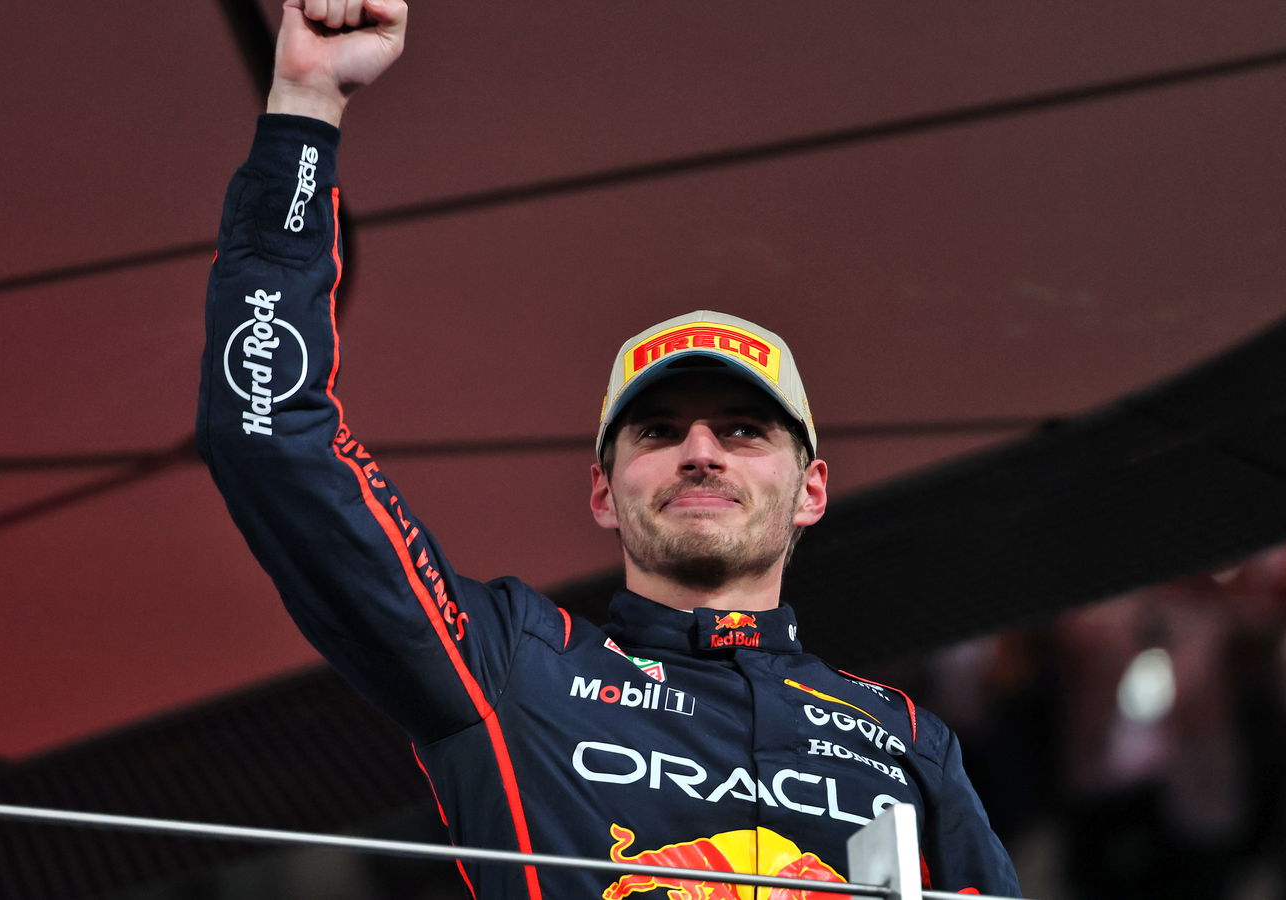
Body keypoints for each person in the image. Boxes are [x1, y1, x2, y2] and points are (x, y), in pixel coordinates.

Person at [195, 2, 1021, 897]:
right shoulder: (515, 666)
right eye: (658, 431)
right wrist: (306, 106)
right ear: (602, 491)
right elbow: (271, 438)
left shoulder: (906, 740)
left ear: (812, 489)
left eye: (742, 430)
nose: (700, 451)